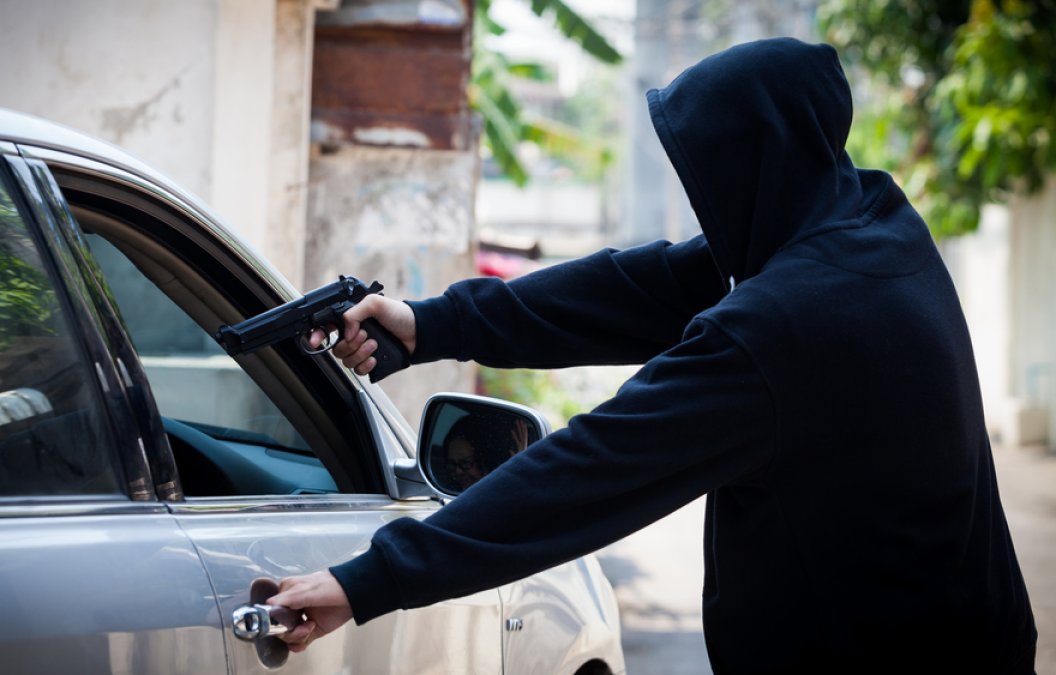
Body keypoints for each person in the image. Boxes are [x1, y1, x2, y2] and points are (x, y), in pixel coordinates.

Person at [267, 38, 1037, 673]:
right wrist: (428, 324)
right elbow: (641, 287)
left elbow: (592, 470)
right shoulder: (871, 218)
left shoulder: (786, 329)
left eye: (713, 173)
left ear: (757, 164)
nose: (704, 198)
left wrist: (366, 579)